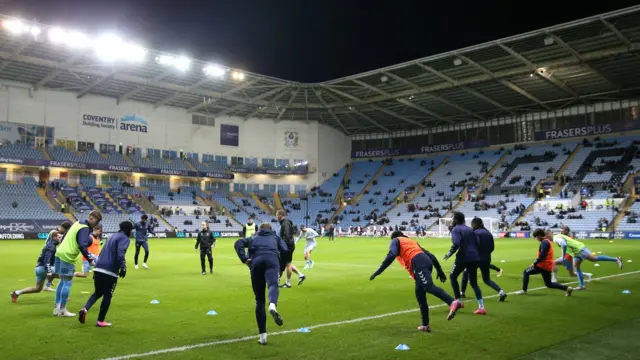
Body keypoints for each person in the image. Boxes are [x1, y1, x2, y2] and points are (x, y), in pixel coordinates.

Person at [370, 231, 462, 331]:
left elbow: (391, 254)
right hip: (425, 261)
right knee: (420, 295)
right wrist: (439, 270)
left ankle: (452, 301)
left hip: (418, 263)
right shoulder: (411, 241)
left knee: (428, 287)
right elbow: (430, 255)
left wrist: (378, 271)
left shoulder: (396, 240)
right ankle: (425, 325)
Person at [234, 223, 288, 345]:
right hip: (272, 261)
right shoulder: (276, 238)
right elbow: (285, 250)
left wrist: (244, 259)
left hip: (256, 263)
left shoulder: (253, 237)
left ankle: (263, 337)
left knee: (259, 300)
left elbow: (238, 243)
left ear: (259, 230)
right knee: (273, 285)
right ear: (271, 229)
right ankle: (273, 305)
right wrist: (281, 267)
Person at [79, 221, 132, 327]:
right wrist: (123, 267)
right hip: (110, 271)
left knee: (97, 293)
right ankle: (100, 321)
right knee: (108, 295)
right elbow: (120, 252)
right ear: (128, 230)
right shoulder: (125, 239)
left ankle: (85, 309)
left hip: (98, 268)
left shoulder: (112, 236)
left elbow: (103, 251)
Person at [54, 210, 102, 317]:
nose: (96, 224)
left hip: (60, 252)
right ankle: (62, 310)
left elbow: (65, 235)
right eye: (96, 221)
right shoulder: (84, 228)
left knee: (62, 281)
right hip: (68, 256)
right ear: (91, 218)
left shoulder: (77, 222)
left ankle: (57, 308)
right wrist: (90, 260)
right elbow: (82, 245)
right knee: (67, 283)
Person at [552, 226, 622, 290]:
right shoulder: (562, 236)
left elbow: (565, 244)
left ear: (567, 231)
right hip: (574, 253)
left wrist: (563, 256)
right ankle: (582, 286)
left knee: (593, 259)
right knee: (576, 267)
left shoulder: (567, 237)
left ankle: (616, 259)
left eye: (563, 230)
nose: (561, 231)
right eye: (561, 230)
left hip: (579, 250)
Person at [443, 212, 485, 315]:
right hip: (474, 257)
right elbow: (478, 242)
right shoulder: (470, 229)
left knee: (453, 277)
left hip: (463, 257)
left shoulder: (456, 229)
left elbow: (456, 243)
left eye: (453, 219)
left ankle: (458, 301)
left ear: (456, 220)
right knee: (474, 283)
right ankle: (481, 307)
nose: (452, 221)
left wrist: (449, 253)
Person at [10, 229, 66, 302]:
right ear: (54, 237)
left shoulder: (50, 245)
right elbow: (47, 260)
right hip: (44, 268)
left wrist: (51, 276)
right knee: (65, 277)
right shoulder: (51, 246)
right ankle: (62, 297)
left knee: (37, 289)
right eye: (59, 237)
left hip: (39, 269)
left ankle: (16, 293)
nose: (61, 239)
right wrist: (49, 273)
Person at [460, 218, 507, 302]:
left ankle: (462, 292)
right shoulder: (488, 233)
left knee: (467, 274)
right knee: (487, 280)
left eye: (472, 225)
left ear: (475, 224)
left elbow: (473, 246)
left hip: (475, 259)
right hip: (486, 259)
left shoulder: (476, 233)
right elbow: (492, 247)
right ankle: (501, 291)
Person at [517, 228, 573, 296]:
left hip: (542, 265)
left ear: (539, 236)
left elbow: (542, 256)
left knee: (526, 272)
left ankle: (523, 290)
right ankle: (567, 288)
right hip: (547, 266)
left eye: (536, 237)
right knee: (549, 284)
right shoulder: (547, 241)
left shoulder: (544, 243)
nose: (536, 239)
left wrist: (534, 263)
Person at [276, 210, 305, 288]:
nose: (276, 217)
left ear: (281, 215)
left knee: (283, 265)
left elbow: (287, 236)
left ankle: (281, 282)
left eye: (277, 215)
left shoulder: (285, 223)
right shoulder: (287, 222)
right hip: (289, 246)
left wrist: (282, 246)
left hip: (286, 247)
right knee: (288, 264)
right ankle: (300, 275)